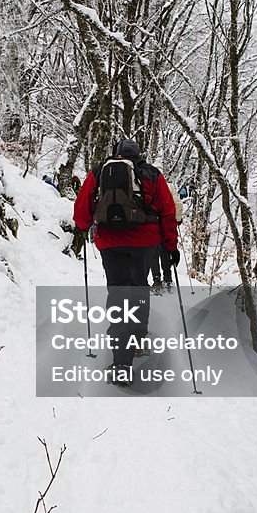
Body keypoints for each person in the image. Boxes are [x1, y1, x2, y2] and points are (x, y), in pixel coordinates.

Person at [73, 138, 179, 382]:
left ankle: (121, 364)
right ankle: (139, 340)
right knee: (139, 289)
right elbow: (167, 212)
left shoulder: (100, 172)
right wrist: (170, 246)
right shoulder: (151, 174)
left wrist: (83, 226)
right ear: (138, 154)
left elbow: (81, 211)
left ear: (116, 153)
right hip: (145, 244)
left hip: (111, 243)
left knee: (119, 295)